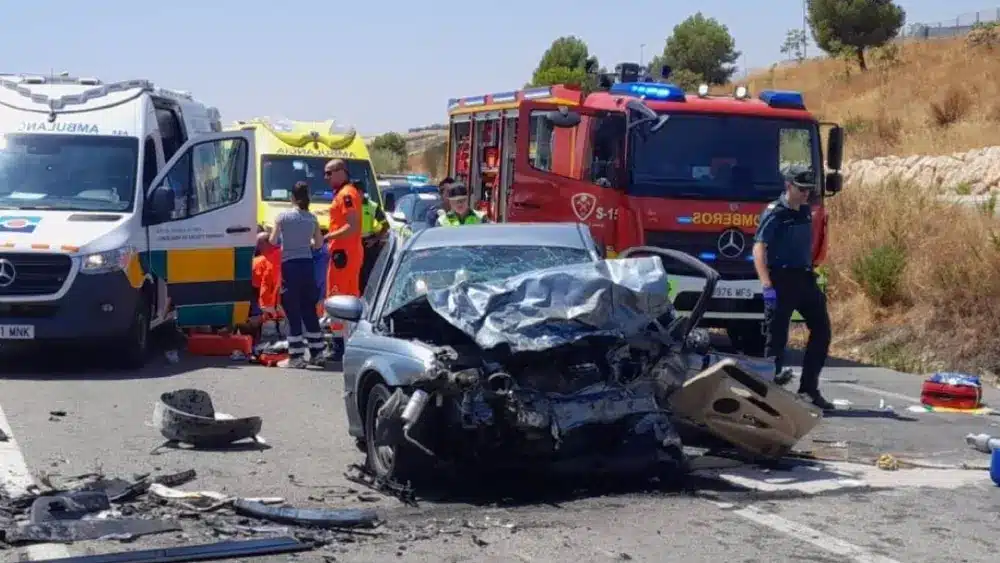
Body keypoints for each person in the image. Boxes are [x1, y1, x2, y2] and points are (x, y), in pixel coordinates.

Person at [752, 169, 834, 411]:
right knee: (776, 339)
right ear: (788, 186)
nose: (806, 193)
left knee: (822, 330)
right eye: (801, 189)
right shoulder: (774, 213)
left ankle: (809, 389)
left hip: (804, 278)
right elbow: (759, 249)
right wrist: (766, 285)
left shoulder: (806, 210)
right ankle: (766, 395)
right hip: (780, 279)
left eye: (808, 189)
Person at [268, 181, 326, 368]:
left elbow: (273, 240)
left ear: (291, 197)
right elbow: (318, 245)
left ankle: (296, 357)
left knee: (292, 309)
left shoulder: (283, 217)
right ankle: (317, 353)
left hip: (290, 266)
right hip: (307, 266)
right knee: (309, 308)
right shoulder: (312, 218)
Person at [359, 191, 388, 292]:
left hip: (368, 244)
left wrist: (375, 239)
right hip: (353, 244)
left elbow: (385, 225)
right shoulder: (350, 205)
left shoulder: (372, 206)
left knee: (368, 274)